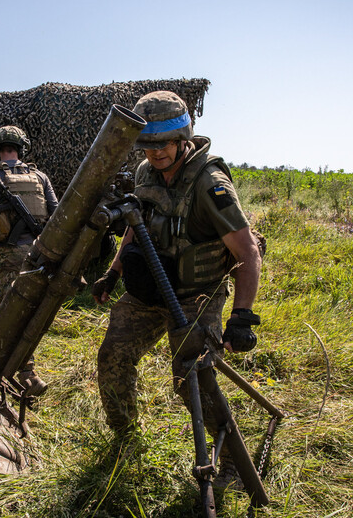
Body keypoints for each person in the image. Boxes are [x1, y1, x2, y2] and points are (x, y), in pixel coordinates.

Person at [91, 91, 262, 490]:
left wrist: (242, 317)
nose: (154, 154)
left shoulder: (209, 182)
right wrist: (114, 272)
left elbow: (247, 250)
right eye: (146, 146)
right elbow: (137, 227)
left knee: (194, 379)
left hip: (196, 295)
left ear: (183, 136)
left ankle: (234, 466)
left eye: (162, 144)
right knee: (113, 356)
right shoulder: (144, 174)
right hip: (150, 288)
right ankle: (124, 438)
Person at [0, 125, 58, 394]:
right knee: (32, 313)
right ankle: (25, 371)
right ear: (21, 148)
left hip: (10, 255)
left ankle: (15, 375)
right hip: (40, 253)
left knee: (7, 316)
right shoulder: (40, 177)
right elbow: (57, 214)